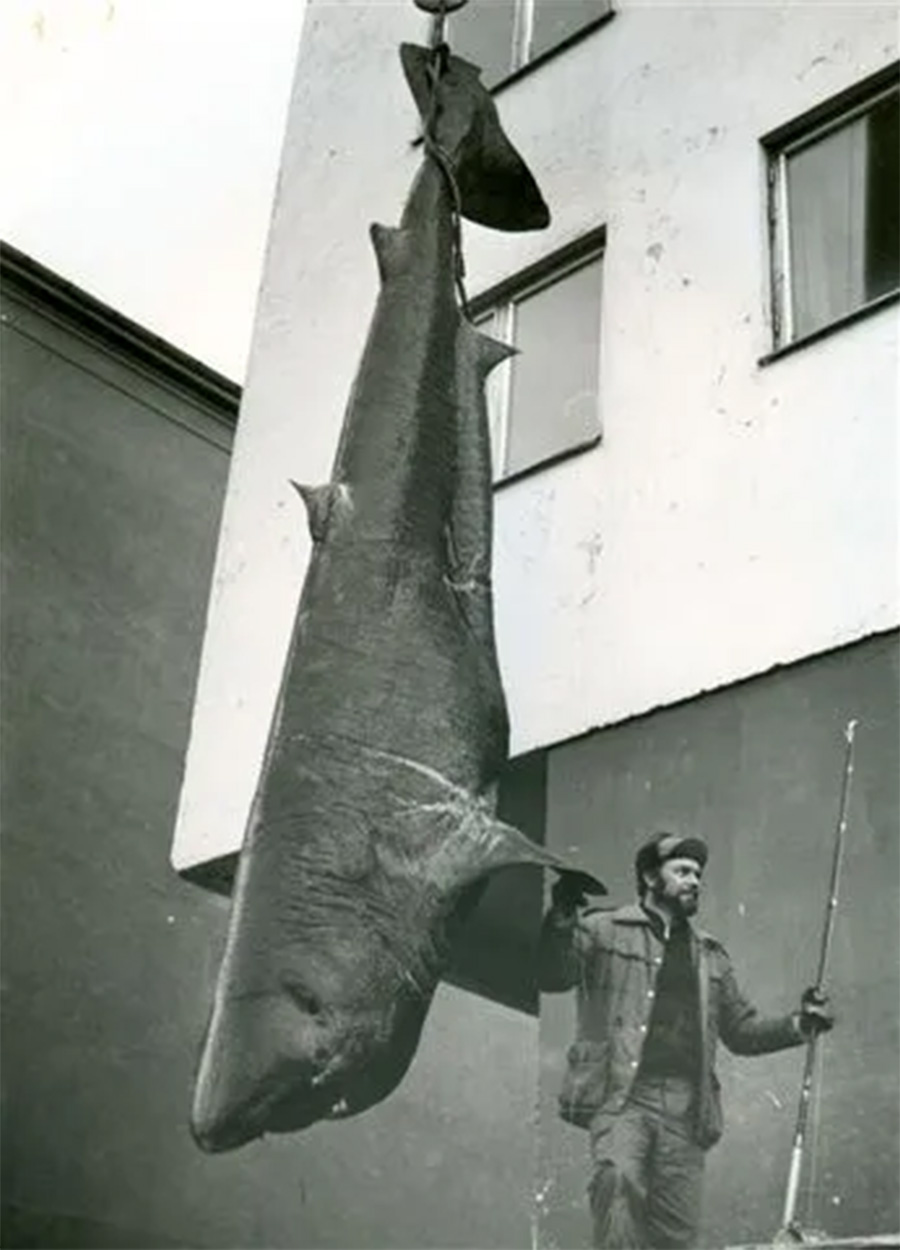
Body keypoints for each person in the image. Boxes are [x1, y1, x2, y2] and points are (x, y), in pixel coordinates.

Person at [537, 832, 834, 1250]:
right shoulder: (603, 929)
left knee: (676, 1235)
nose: (694, 880)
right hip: (623, 1099)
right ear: (650, 877)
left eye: (697, 874)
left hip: (685, 1109)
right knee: (616, 1183)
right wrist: (563, 914)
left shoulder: (710, 955)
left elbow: (742, 1030)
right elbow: (553, 975)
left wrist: (800, 1024)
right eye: (682, 871)